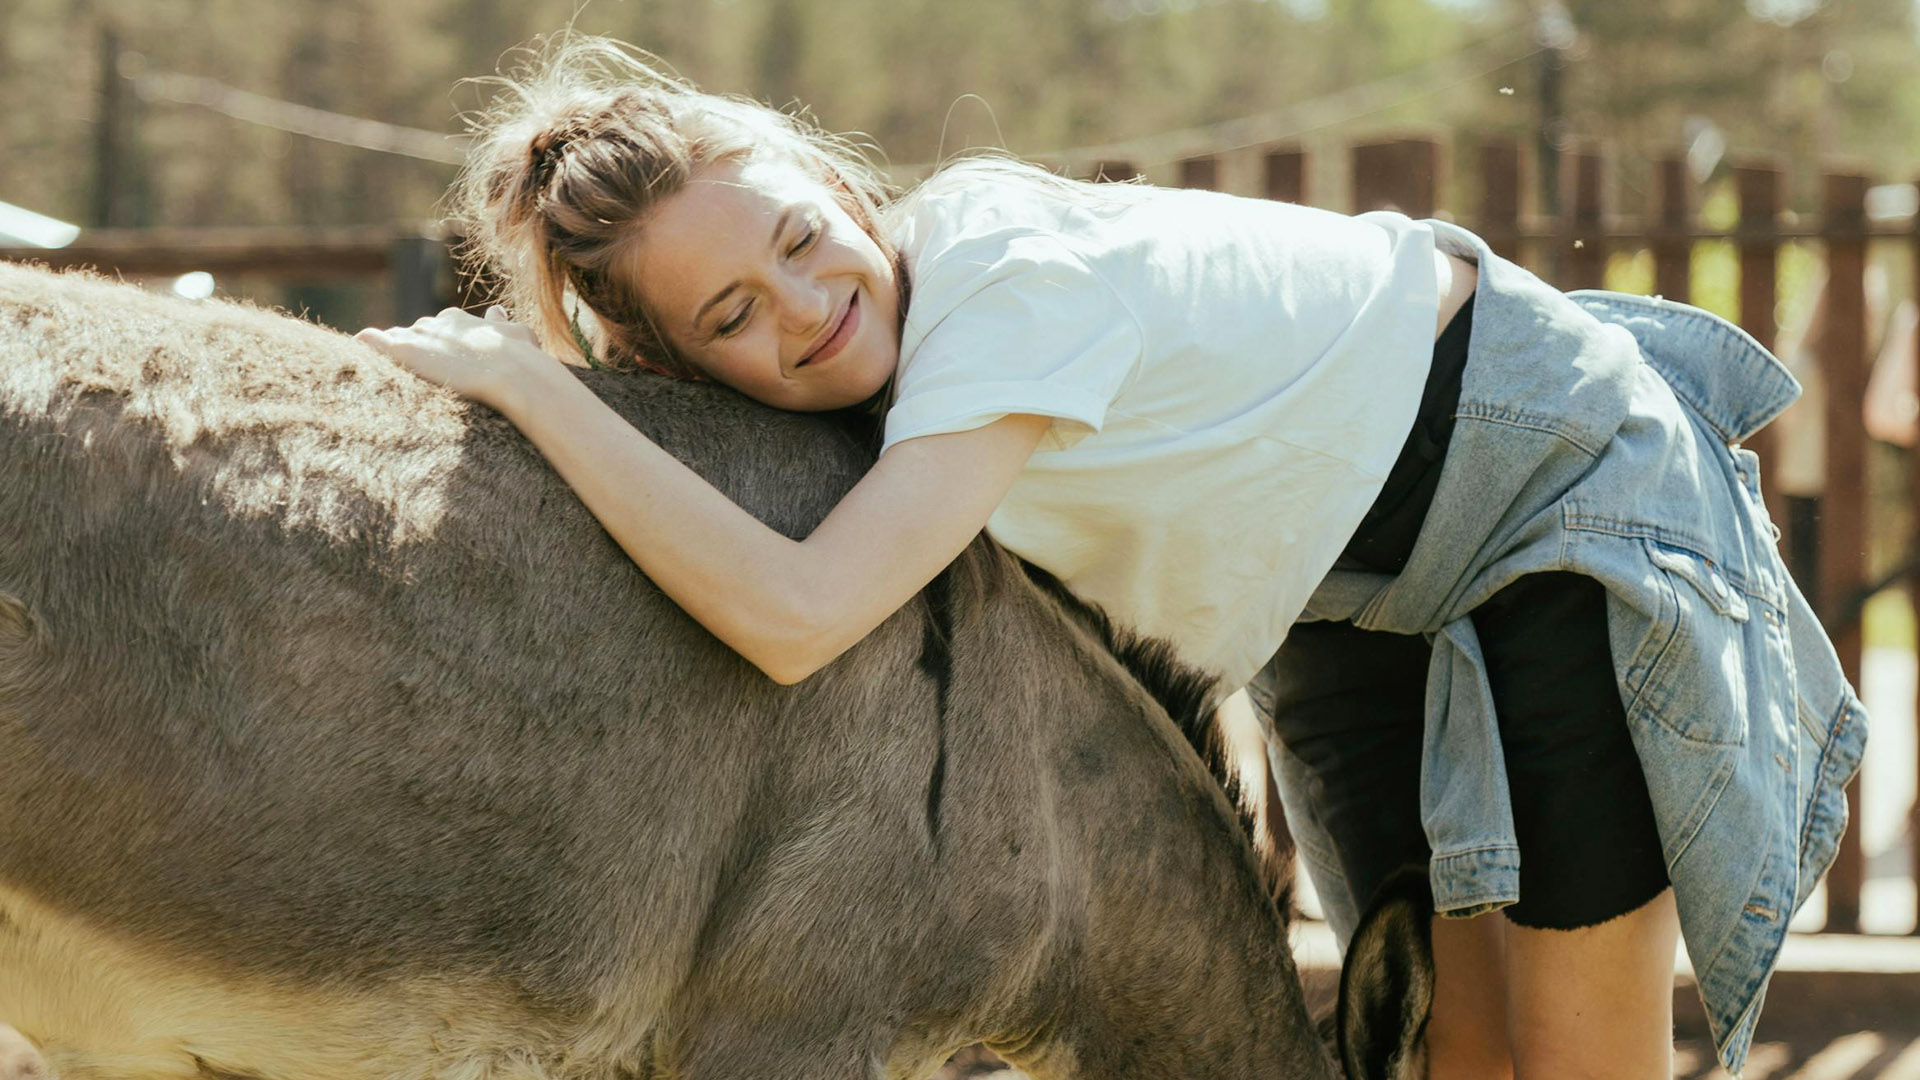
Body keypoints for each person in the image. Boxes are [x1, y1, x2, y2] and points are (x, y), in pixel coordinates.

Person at [356, 36, 1865, 1080]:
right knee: (1445, 1058)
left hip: (1551, 490)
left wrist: (533, 388)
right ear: (679, 364)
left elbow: (799, 613)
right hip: (1350, 589)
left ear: (827, 175)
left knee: (1578, 1057)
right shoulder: (894, 385)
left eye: (802, 240)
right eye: (734, 317)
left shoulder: (1004, 286)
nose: (804, 305)